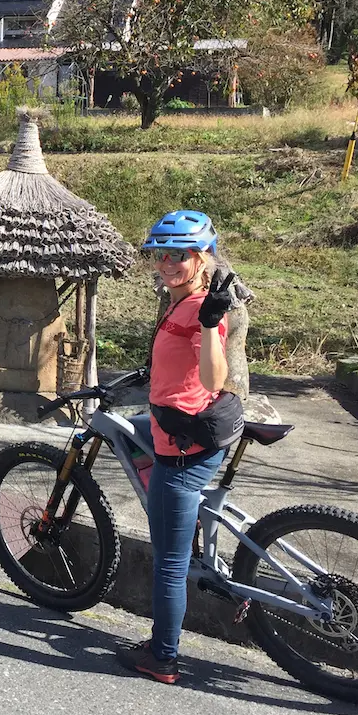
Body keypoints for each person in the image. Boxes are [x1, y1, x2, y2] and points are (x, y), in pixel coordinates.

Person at [118, 209, 239, 684]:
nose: (167, 263)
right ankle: (172, 507)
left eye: (180, 255)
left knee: (169, 563)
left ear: (203, 257)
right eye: (160, 254)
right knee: (131, 433)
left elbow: (213, 377)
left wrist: (212, 326)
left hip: (185, 447)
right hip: (173, 425)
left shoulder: (202, 310)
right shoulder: (176, 299)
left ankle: (162, 657)